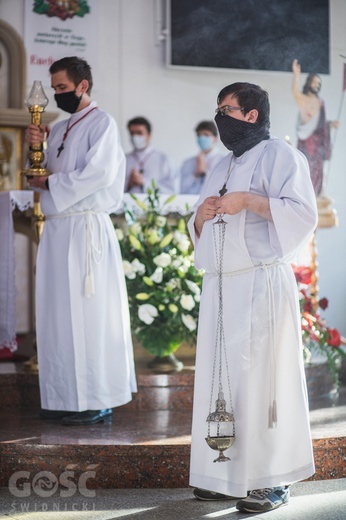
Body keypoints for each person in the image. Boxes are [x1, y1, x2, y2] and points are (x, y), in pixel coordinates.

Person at [188, 82, 317, 513]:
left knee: (265, 384)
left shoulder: (283, 156)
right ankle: (223, 474)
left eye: (227, 109)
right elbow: (203, 223)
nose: (220, 117)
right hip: (224, 284)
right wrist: (201, 218)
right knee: (223, 383)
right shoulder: (223, 163)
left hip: (262, 284)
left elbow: (302, 215)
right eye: (218, 109)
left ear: (252, 116)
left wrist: (251, 201)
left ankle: (271, 479)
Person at [25, 56, 137, 425]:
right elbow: (48, 170)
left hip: (86, 230)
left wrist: (50, 184)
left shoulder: (102, 123)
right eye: (54, 88)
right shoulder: (57, 128)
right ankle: (64, 396)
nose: (57, 95)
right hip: (58, 230)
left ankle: (97, 398)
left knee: (90, 317)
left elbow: (100, 174)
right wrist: (36, 150)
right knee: (58, 315)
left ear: (82, 85)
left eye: (61, 88)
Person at [292, 58, 339, 195]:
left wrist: (330, 124)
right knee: (306, 169)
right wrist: (296, 75)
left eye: (319, 83)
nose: (316, 85)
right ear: (309, 83)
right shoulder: (303, 99)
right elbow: (295, 92)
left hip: (318, 144)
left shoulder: (320, 102)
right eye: (314, 82)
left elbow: (321, 124)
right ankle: (305, 195)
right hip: (307, 143)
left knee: (318, 171)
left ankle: (315, 197)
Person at [125, 116, 175, 193]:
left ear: (149, 135)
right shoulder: (124, 159)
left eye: (139, 133)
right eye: (132, 133)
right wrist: (128, 184)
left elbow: (172, 190)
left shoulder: (163, 159)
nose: (135, 137)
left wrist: (144, 183)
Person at [180, 120, 224, 194]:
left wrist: (204, 172)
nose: (201, 138)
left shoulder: (224, 161)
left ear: (215, 138)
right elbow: (181, 189)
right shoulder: (188, 162)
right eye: (199, 135)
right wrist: (195, 174)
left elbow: (220, 187)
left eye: (206, 135)